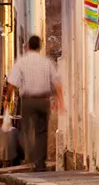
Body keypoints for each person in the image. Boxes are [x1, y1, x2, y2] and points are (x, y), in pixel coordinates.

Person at [6, 35, 62, 172]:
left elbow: (12, 83)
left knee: (26, 129)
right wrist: (61, 101)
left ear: (28, 46)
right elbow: (56, 82)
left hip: (28, 100)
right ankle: (39, 162)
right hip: (43, 100)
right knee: (41, 132)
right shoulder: (46, 62)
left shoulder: (21, 62)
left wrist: (7, 100)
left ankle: (30, 155)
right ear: (40, 46)